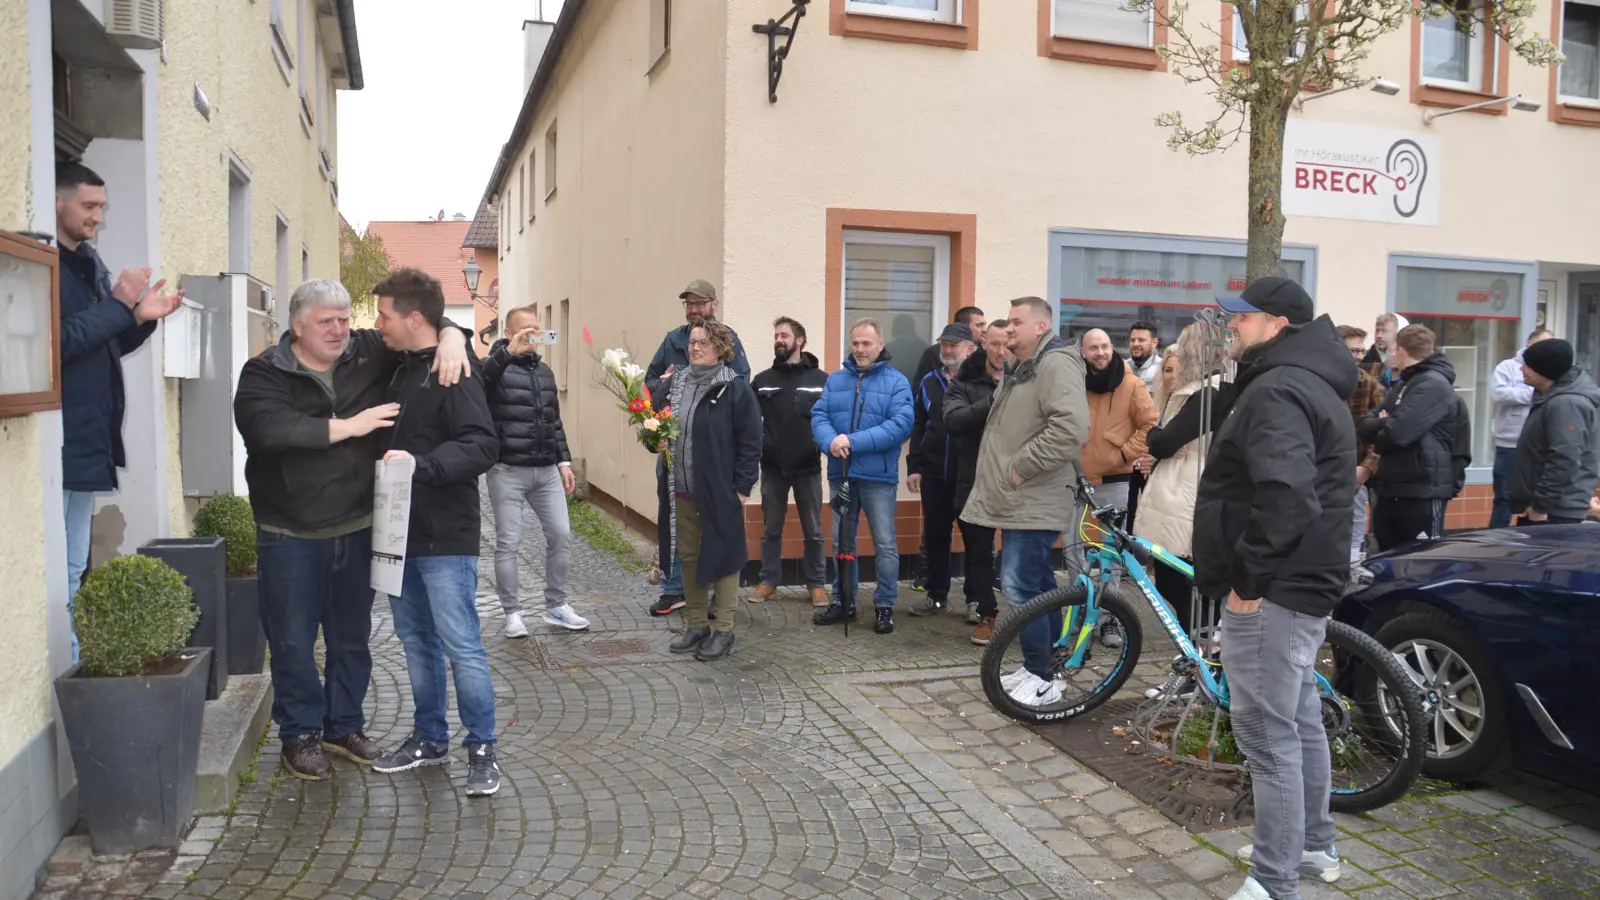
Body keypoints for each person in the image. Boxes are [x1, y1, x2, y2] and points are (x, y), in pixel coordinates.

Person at [233, 279, 471, 781]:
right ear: (297, 326)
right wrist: (352, 425)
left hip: (359, 528)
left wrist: (454, 336)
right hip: (290, 534)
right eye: (326, 321)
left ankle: (343, 726)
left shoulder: (367, 352)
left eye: (344, 319)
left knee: (352, 638)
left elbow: (419, 326)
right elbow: (270, 431)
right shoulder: (264, 373)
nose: (340, 330)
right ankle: (299, 734)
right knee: (294, 641)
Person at [1191, 277, 1355, 900]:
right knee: (1299, 718)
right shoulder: (1302, 380)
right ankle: (1310, 846)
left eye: (1243, 317)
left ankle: (1274, 879)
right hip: (1302, 578)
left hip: (1277, 586)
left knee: (1265, 731)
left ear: (1277, 323)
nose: (1232, 325)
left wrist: (1248, 581)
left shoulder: (1281, 388)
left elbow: (1287, 495)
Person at [365, 269, 502, 798]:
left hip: (446, 536)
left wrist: (421, 464)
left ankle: (483, 748)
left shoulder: (456, 372)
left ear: (414, 318)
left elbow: (481, 446)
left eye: (385, 316)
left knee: (461, 645)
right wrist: (453, 330)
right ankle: (429, 738)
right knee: (415, 643)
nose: (378, 326)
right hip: (397, 536)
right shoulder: (398, 367)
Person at [56, 162, 185, 659]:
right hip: (60, 437)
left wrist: (140, 320)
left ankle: (71, 658)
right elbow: (61, 342)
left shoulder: (88, 261)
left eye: (102, 207)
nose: (98, 217)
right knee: (63, 567)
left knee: (71, 565)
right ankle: (67, 663)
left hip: (87, 437)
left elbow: (101, 343)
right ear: (59, 201)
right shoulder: (48, 265)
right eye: (89, 206)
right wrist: (118, 305)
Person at [963, 297, 1089, 706]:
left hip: (1034, 494)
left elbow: (1071, 427)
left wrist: (1020, 467)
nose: (1008, 329)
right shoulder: (1020, 367)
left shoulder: (1055, 364)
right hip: (1021, 497)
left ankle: (1043, 674)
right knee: (1038, 583)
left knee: (1020, 584)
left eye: (1017, 322)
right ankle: (1044, 666)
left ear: (1040, 327)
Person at [643, 280, 750, 616]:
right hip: (676, 458)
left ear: (713, 305)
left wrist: (742, 483)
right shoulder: (672, 340)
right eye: (688, 304)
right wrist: (664, 384)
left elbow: (741, 387)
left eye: (699, 303)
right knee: (675, 525)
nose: (693, 310)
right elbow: (648, 382)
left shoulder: (727, 342)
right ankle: (675, 589)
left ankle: (718, 600)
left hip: (714, 459)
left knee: (714, 531)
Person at [482, 304, 587, 639]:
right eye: (526, 329)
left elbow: (554, 421)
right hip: (507, 469)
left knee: (561, 534)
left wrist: (564, 462)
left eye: (537, 329)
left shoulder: (545, 372)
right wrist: (505, 355)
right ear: (509, 333)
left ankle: (557, 606)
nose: (533, 335)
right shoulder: (494, 367)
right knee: (508, 543)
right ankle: (513, 613)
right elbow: (480, 384)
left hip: (545, 471)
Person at [662, 322, 763, 660]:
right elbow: (662, 424)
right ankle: (696, 625)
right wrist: (656, 440)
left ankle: (723, 629)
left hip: (720, 489)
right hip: (682, 487)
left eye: (703, 343)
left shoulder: (733, 388)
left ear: (721, 348)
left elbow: (751, 442)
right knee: (688, 555)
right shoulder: (677, 383)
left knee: (723, 556)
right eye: (692, 342)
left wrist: (741, 488)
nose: (695, 348)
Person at [811, 318, 915, 635]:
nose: (860, 349)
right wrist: (829, 441)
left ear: (880, 345)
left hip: (877, 478)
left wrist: (852, 442)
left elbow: (900, 425)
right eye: (855, 343)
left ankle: (884, 605)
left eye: (866, 343)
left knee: (884, 544)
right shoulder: (836, 380)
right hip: (841, 474)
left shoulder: (897, 383)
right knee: (842, 542)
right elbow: (820, 415)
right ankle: (845, 602)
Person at [1133, 321, 1225, 641]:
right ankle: (1200, 657)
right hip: (1186, 492)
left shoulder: (1204, 393)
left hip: (1186, 496)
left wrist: (1159, 439)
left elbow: (1162, 441)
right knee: (1180, 583)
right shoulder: (1209, 389)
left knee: (1179, 583)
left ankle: (1203, 659)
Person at [1358, 325, 1462, 551]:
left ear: (1401, 350)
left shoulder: (1433, 383)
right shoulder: (1406, 383)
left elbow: (1397, 435)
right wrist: (1386, 421)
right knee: (1386, 559)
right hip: (1391, 488)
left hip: (1421, 491)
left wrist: (1387, 422)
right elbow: (1365, 426)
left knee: (1420, 563)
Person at [751, 317, 829, 608]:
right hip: (772, 468)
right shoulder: (762, 381)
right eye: (776, 336)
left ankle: (817, 585)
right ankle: (769, 581)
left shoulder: (822, 381)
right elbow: (747, 421)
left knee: (814, 531)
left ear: (800, 340)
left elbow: (832, 420)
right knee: (771, 528)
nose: (779, 340)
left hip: (808, 467)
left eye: (784, 335)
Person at [910, 306, 986, 592]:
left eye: (953, 345)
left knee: (975, 541)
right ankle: (936, 594)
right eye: (944, 344)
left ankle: (975, 601)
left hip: (970, 476)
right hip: (934, 475)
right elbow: (919, 425)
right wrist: (915, 467)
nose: (947, 350)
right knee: (936, 538)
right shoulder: (929, 382)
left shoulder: (982, 382)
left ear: (969, 348)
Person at [943, 322, 1008, 644]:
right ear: (984, 344)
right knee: (979, 553)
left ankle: (1030, 614)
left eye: (1006, 345)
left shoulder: (1029, 379)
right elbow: (952, 420)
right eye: (994, 344)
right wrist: (994, 399)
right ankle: (987, 613)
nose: (1000, 352)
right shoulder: (964, 381)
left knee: (1020, 555)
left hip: (1016, 480)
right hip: (975, 481)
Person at [1508, 338, 1600, 527]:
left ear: (1544, 370)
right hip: (1547, 509)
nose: (1521, 369)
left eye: (1528, 365)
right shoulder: (1552, 398)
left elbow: (1564, 459)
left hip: (1553, 513)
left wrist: (1540, 507)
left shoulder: (1566, 404)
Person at [1079, 328, 1157, 511]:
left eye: (1105, 347)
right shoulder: (1073, 381)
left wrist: (1124, 454)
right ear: (1083, 352)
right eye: (1094, 348)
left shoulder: (1132, 384)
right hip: (1075, 481)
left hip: (1114, 482)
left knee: (1111, 540)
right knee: (1074, 540)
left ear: (1112, 348)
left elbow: (1151, 424)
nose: (1100, 353)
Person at [1491, 329, 1555, 528]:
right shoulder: (1507, 368)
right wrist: (1533, 394)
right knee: (1504, 498)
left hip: (1538, 447)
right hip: (1509, 444)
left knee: (1534, 500)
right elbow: (1499, 394)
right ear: (1531, 347)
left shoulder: (1550, 371)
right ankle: (1494, 542)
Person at [1337, 326, 1387, 561]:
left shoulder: (1371, 385)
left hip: (1355, 468)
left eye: (1361, 350)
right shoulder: (1319, 381)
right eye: (1353, 350)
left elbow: (1385, 432)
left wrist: (1366, 468)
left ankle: (1352, 564)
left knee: (1356, 525)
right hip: (1321, 468)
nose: (1359, 356)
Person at [1362, 313, 1409, 390]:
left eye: (1384, 331)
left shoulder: (1408, 359)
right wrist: (1384, 369)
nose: (1379, 335)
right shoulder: (1363, 357)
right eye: (1377, 330)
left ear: (1398, 334)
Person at [1128, 320, 1164, 393]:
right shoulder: (1123, 368)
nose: (1135, 344)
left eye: (1141, 340)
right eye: (1132, 340)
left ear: (1154, 343)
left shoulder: (1163, 368)